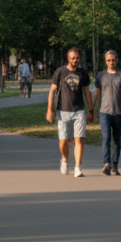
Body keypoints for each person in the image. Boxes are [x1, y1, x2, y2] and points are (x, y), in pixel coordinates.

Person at [46, 47, 94, 177]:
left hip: (79, 111)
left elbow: (87, 92)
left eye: (77, 58)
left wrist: (90, 109)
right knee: (64, 140)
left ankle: (78, 167)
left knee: (79, 139)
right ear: (68, 58)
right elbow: (52, 91)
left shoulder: (83, 73)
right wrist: (49, 110)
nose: (75, 60)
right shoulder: (60, 72)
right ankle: (64, 159)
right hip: (63, 111)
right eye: (73, 58)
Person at [94, 50, 121, 175]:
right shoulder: (101, 75)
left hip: (119, 112)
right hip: (104, 112)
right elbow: (97, 93)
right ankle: (107, 163)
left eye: (113, 60)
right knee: (106, 138)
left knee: (117, 140)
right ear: (105, 61)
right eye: (109, 60)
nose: (111, 62)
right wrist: (92, 108)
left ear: (117, 60)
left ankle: (115, 165)